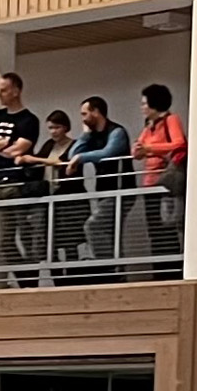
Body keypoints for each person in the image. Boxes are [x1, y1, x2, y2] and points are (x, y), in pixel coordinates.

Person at [0, 72, 39, 287]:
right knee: (2, 239)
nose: (0, 95)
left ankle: (29, 280)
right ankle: (25, 280)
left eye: (4, 90)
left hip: (17, 183)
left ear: (16, 91)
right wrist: (5, 143)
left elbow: (17, 150)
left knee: (20, 235)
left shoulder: (29, 120)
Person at [66, 96, 134, 273]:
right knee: (111, 231)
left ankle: (107, 267)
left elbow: (107, 153)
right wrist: (85, 135)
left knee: (93, 225)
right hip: (104, 191)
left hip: (121, 189)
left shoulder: (117, 132)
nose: (82, 119)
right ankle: (116, 270)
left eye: (84, 114)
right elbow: (71, 154)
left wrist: (81, 158)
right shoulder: (92, 136)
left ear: (96, 112)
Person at [133, 82, 186, 275]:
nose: (142, 107)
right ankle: (160, 271)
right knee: (154, 230)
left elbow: (179, 143)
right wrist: (140, 150)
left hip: (166, 182)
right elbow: (137, 149)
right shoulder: (149, 126)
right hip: (150, 183)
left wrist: (150, 149)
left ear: (155, 104)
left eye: (144, 103)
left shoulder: (171, 120)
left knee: (167, 227)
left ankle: (171, 271)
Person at [22, 110, 79, 279]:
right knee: (49, 242)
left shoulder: (75, 145)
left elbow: (67, 167)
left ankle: (73, 278)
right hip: (49, 198)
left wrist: (53, 163)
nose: (53, 131)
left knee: (70, 242)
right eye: (50, 128)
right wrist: (46, 161)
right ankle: (56, 278)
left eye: (57, 127)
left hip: (68, 200)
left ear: (66, 127)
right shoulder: (48, 145)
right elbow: (28, 159)